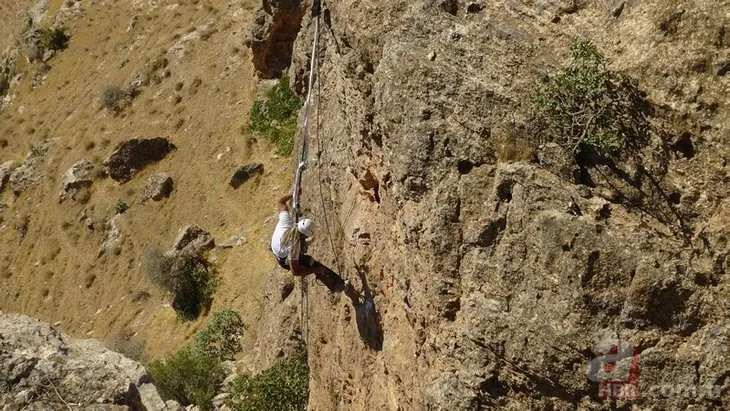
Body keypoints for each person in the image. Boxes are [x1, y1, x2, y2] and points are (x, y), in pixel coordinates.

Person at [271, 194, 354, 296]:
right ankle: (338, 285)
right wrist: (316, 270)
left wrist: (293, 194)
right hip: (283, 260)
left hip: (277, 246)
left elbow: (281, 202)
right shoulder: (294, 247)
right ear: (303, 236)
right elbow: (295, 272)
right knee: (310, 262)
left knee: (301, 253)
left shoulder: (287, 221)